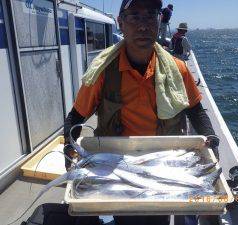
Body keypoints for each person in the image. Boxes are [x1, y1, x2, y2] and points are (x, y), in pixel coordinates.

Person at [63, 0, 219, 224]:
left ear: (159, 21)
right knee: (128, 219)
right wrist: (69, 145)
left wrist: (211, 138)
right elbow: (76, 116)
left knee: (159, 218)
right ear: (121, 23)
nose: (143, 26)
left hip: (165, 163)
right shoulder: (102, 72)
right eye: (134, 16)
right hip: (117, 163)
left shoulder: (178, 69)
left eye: (150, 16)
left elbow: (196, 111)